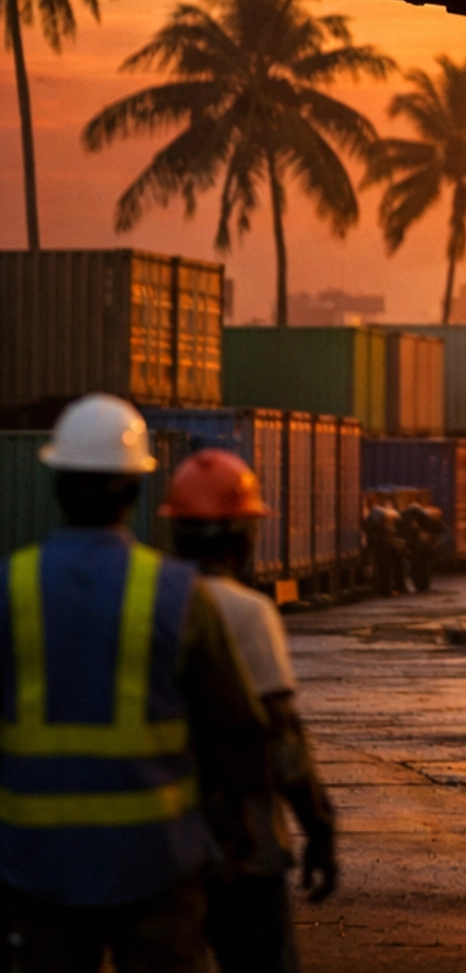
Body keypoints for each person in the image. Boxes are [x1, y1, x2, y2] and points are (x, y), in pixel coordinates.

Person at [0, 394, 269, 973]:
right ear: (134, 489)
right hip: (156, 862)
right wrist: (240, 828)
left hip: (35, 865)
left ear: (57, 483)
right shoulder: (177, 595)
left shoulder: (10, 588)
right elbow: (238, 731)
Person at [161, 448, 337, 973]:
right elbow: (280, 738)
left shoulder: (146, 603)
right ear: (244, 536)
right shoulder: (247, 611)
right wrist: (320, 825)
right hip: (244, 843)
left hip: (161, 842)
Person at [397, 498, 443, 595]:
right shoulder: (424, 517)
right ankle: (423, 586)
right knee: (424, 567)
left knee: (416, 567)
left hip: (415, 548)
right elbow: (438, 529)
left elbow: (402, 534)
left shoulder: (405, 517)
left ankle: (420, 586)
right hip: (423, 548)